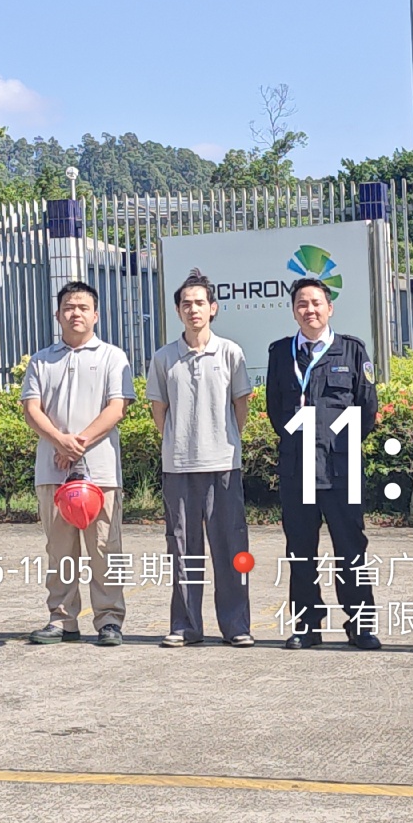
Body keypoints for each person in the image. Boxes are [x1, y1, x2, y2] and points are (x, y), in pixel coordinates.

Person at [265, 277, 381, 650]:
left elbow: (367, 409)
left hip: (341, 468)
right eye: (302, 304)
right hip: (297, 468)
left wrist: (339, 444)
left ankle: (360, 626)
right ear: (293, 311)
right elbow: (276, 410)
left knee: (351, 549)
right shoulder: (280, 353)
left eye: (316, 303)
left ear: (329, 308)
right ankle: (307, 626)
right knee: (300, 550)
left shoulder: (351, 351)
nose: (309, 310)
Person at [21, 280, 136, 647]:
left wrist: (76, 444)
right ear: (58, 315)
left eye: (83, 308)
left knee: (104, 548)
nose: (76, 314)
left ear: (95, 315)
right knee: (60, 550)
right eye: (69, 307)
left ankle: (109, 620)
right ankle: (62, 619)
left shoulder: (112, 357)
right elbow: (31, 409)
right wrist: (60, 441)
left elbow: (117, 408)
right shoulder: (41, 360)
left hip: (100, 472)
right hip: (53, 472)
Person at [146, 269, 254, 648]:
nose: (193, 309)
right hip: (179, 467)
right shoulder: (164, 358)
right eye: (186, 304)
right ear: (178, 311)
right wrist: (180, 443)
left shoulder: (230, 353)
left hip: (223, 464)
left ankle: (236, 626)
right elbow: (160, 411)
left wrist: (223, 441)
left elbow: (240, 406)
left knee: (231, 547)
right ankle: (186, 626)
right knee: (182, 548)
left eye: (200, 303)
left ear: (213, 308)